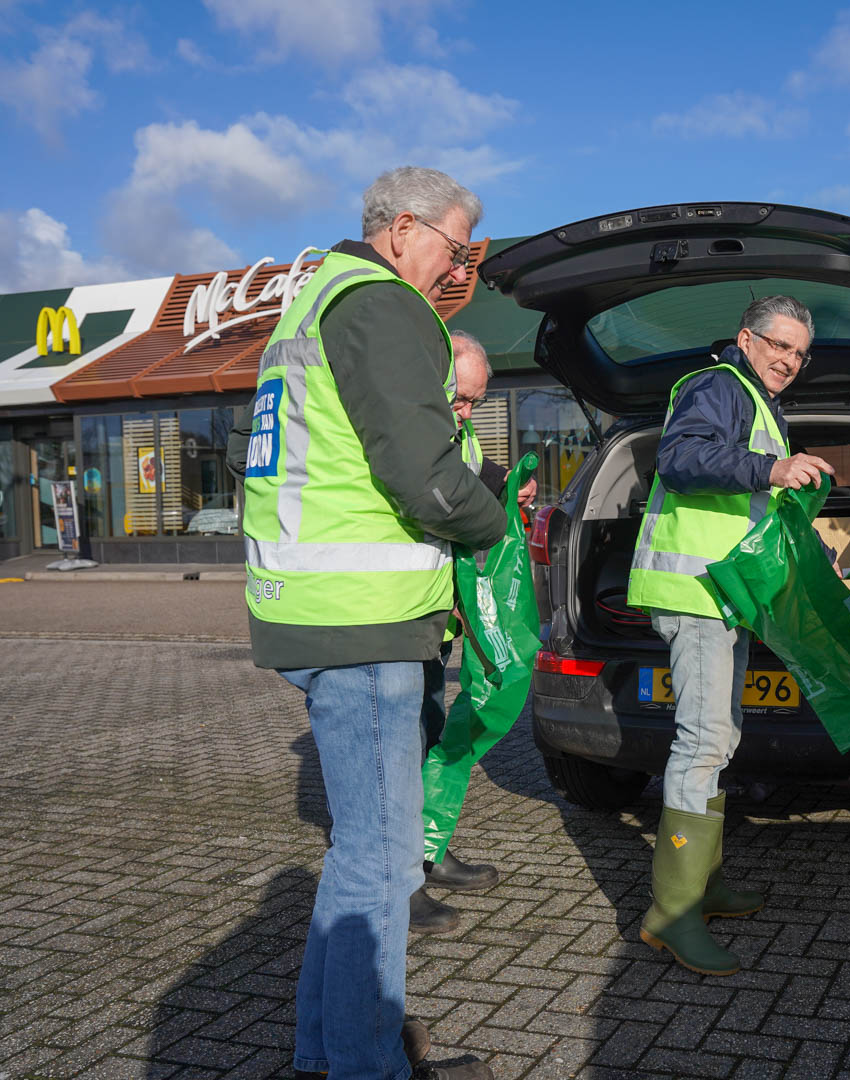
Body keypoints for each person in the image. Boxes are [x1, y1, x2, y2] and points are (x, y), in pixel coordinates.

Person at [241, 165, 506, 1080]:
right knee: (385, 863)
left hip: (314, 613)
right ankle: (366, 1066)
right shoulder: (383, 304)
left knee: (361, 856)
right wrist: (495, 529)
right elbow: (425, 474)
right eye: (455, 248)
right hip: (363, 625)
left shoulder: (313, 303)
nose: (459, 270)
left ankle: (332, 1052)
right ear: (403, 229)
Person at [626, 294, 833, 977]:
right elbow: (682, 460)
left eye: (800, 353)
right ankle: (672, 914)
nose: (790, 361)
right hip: (693, 592)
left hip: (721, 594)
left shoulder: (756, 402)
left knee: (721, 738)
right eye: (780, 346)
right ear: (746, 339)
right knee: (702, 743)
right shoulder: (717, 386)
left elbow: (753, 508)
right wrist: (773, 468)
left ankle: (705, 886)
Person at [411, 330, 538, 934]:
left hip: (436, 617)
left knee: (435, 738)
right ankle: (400, 882)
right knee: (405, 751)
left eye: (476, 402)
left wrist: (509, 483)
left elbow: (474, 473)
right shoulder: (409, 429)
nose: (466, 411)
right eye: (459, 398)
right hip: (400, 616)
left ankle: (428, 852)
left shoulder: (458, 432)